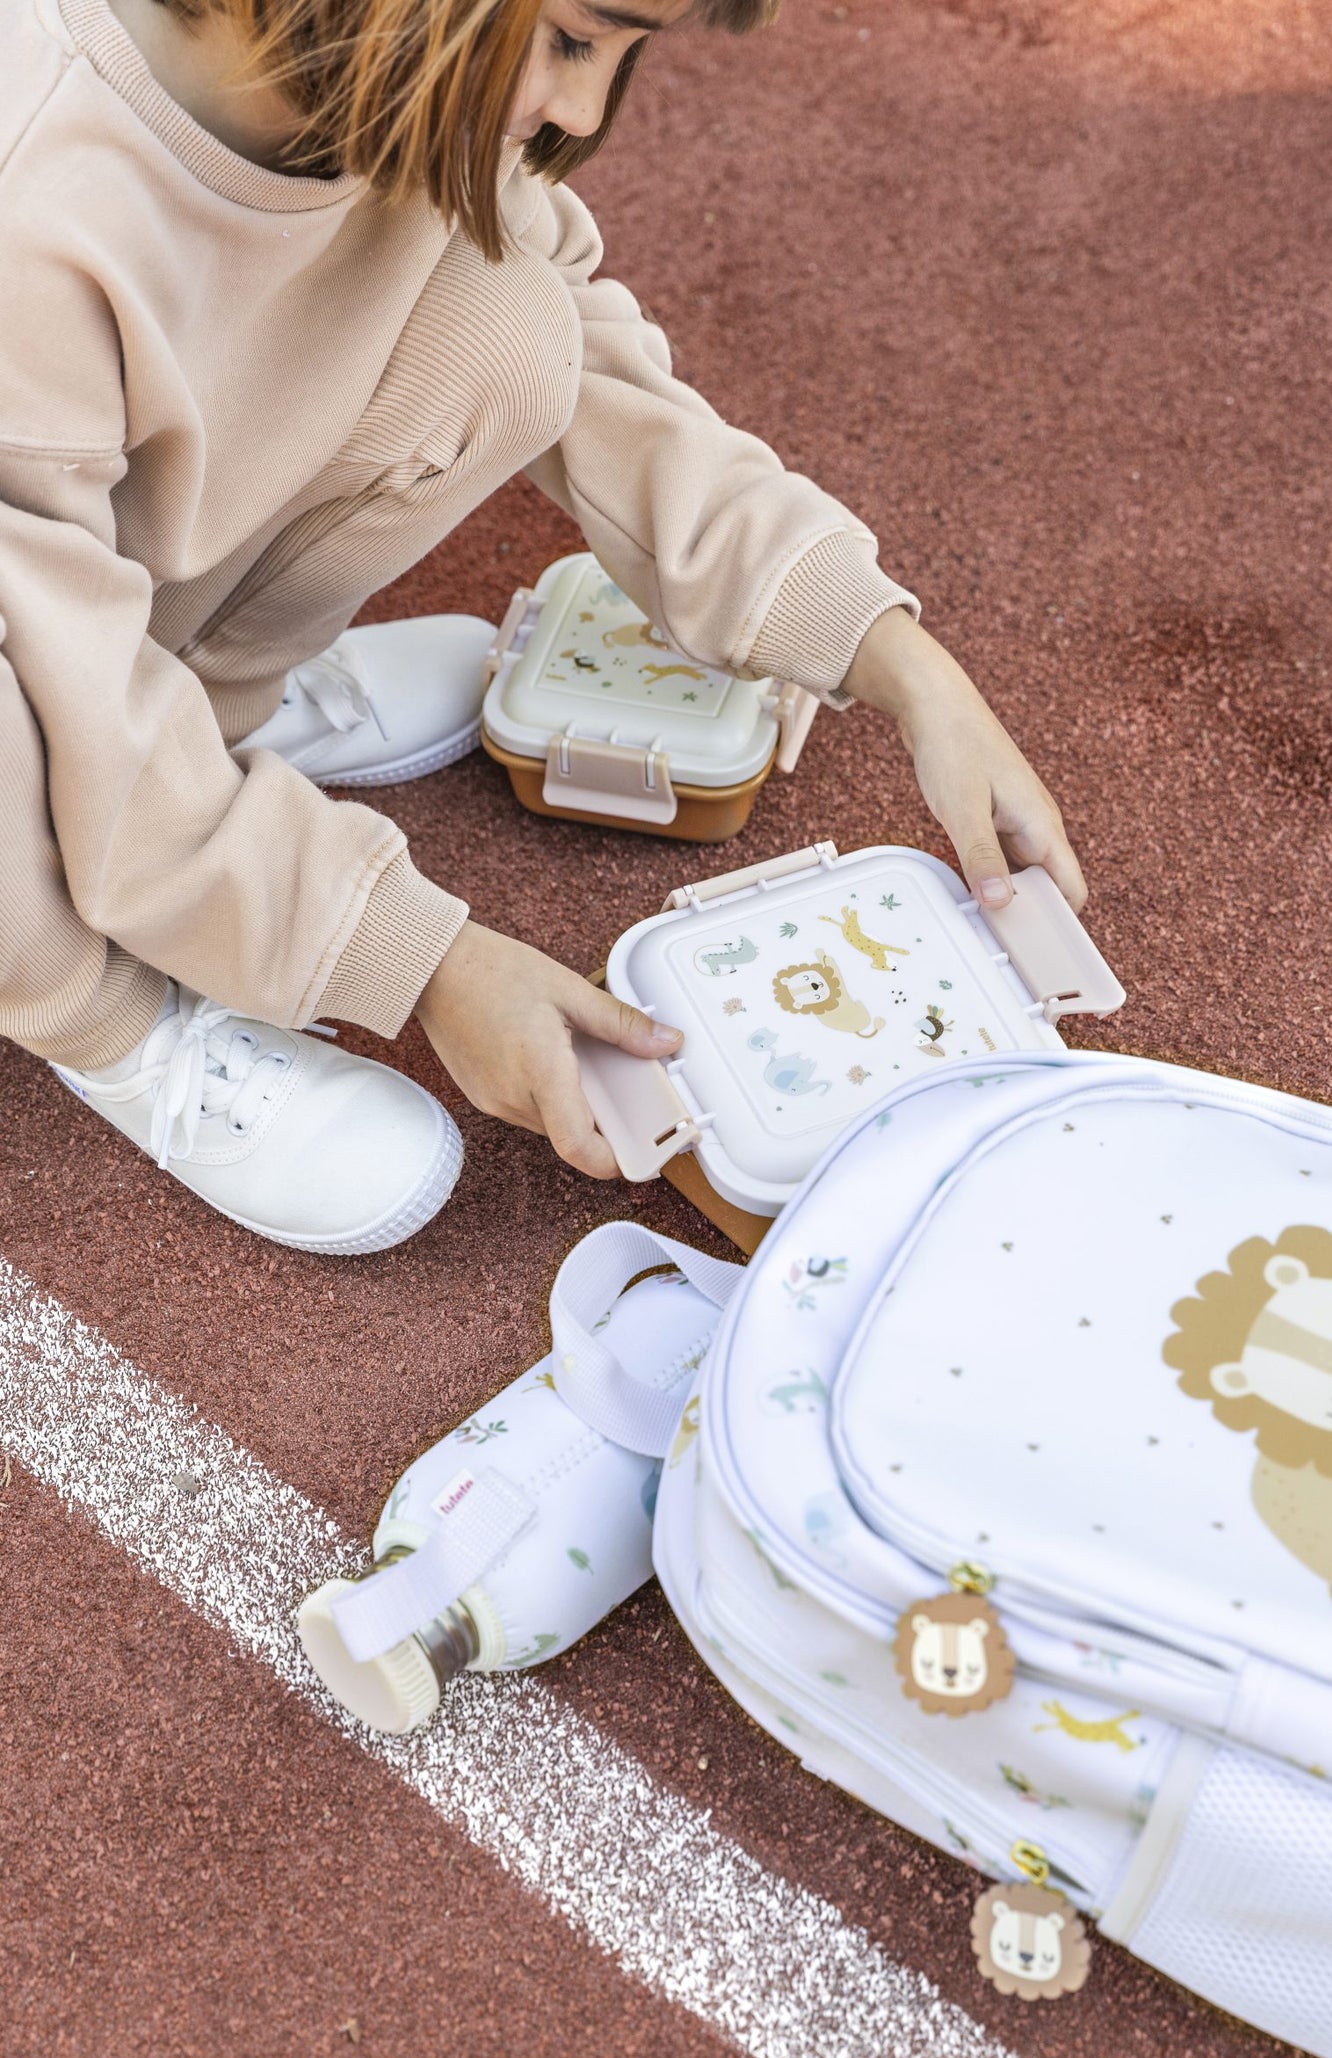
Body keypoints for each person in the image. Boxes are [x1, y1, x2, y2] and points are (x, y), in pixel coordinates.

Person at [0, 0, 1085, 1253]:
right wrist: (422, 963)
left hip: (73, 601)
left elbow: (600, 381)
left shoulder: (366, 60)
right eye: (575, 37)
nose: (583, 110)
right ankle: (110, 1010)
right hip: (36, 636)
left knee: (507, 321)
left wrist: (902, 666)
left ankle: (209, 714)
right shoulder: (39, 193)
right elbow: (61, 668)